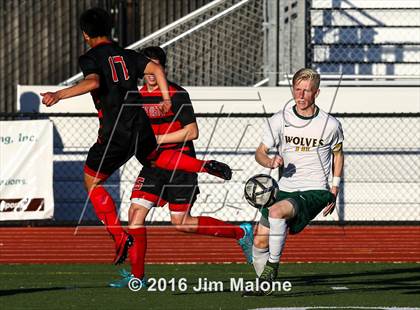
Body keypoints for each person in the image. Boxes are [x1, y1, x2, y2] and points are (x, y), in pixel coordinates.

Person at [40, 8, 232, 266]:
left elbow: (93, 83)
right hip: (139, 125)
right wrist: (165, 99)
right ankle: (203, 166)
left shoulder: (90, 57)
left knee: (92, 183)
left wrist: (59, 95)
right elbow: (154, 67)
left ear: (85, 34)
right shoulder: (129, 55)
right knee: (156, 158)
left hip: (115, 131)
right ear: (109, 29)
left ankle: (119, 236)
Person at [109, 46, 254, 288]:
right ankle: (138, 278)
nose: (151, 75)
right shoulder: (135, 96)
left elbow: (192, 131)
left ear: (164, 69)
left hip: (181, 164)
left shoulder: (177, 94)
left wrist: (156, 140)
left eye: (156, 69)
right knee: (135, 214)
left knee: (181, 223)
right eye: (147, 69)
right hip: (154, 166)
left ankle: (241, 233)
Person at [244, 68, 344, 296]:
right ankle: (264, 286)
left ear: (316, 93)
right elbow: (260, 152)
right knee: (259, 242)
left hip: (315, 190)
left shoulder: (330, 124)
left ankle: (273, 267)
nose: (300, 95)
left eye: (306, 91)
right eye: (297, 89)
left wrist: (335, 187)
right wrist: (268, 161)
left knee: (277, 212)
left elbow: (338, 154)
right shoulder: (279, 120)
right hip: (285, 188)